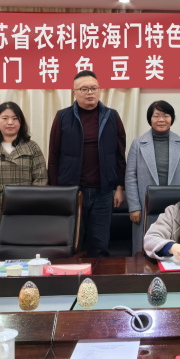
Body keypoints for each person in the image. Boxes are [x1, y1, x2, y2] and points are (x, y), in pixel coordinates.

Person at [48, 70, 127, 257]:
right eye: (84, 89)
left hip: (103, 192)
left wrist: (119, 187)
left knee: (100, 245)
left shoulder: (112, 117)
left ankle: (98, 277)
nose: (89, 93)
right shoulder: (62, 117)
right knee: (72, 244)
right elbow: (54, 157)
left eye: (93, 88)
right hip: (73, 191)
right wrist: (56, 191)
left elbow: (119, 155)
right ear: (74, 93)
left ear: (99, 90)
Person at [0, 102, 47, 257]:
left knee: (24, 253)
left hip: (24, 208)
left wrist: (33, 209)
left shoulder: (32, 147)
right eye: (5, 118)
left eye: (15, 118)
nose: (10, 122)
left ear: (21, 122)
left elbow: (40, 180)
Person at [125, 100, 180, 255]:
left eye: (166, 115)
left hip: (177, 203)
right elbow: (130, 176)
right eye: (156, 116)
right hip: (147, 205)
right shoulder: (138, 143)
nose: (161, 119)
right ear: (150, 118)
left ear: (172, 118)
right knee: (145, 248)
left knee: (176, 247)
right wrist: (134, 206)